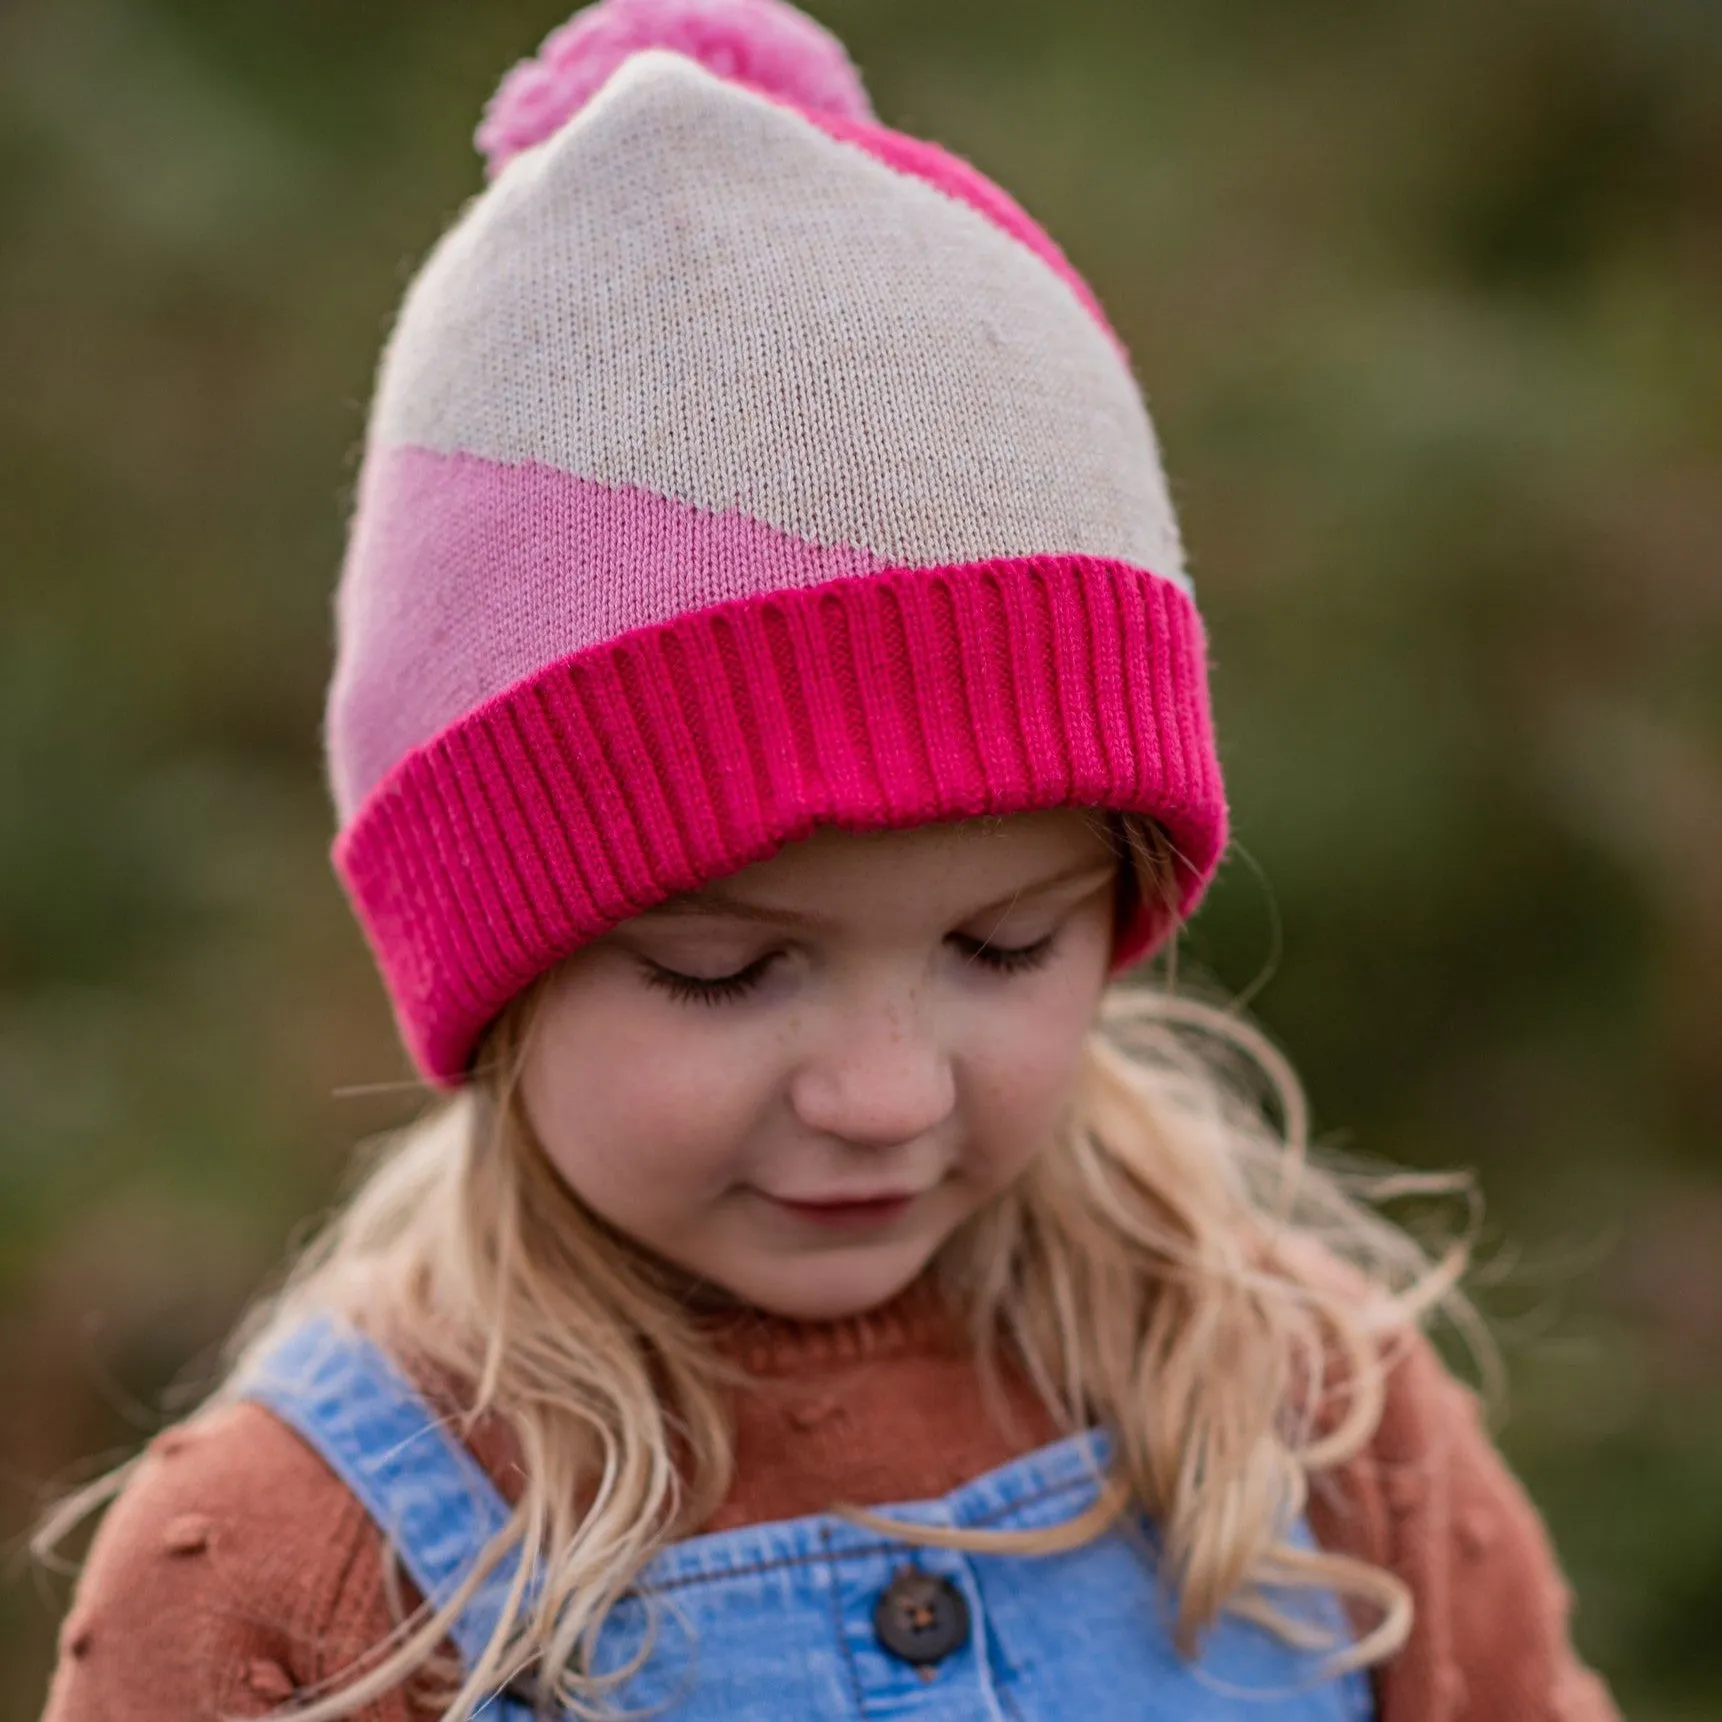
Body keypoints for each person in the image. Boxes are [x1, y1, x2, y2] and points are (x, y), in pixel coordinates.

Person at [36, 2, 1619, 1718]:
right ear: (492, 962)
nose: (881, 1092)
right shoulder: (305, 1570)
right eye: (725, 969)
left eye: (1002, 946)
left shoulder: (1300, 1421)